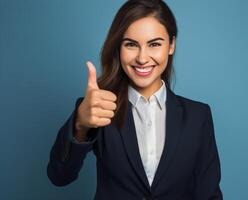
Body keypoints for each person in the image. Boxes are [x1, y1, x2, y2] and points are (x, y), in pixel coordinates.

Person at [47, 0, 223, 199]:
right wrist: (80, 123)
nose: (142, 58)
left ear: (171, 45)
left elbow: (209, 194)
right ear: (118, 47)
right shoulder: (98, 108)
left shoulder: (198, 116)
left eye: (154, 44)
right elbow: (59, 176)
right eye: (131, 44)